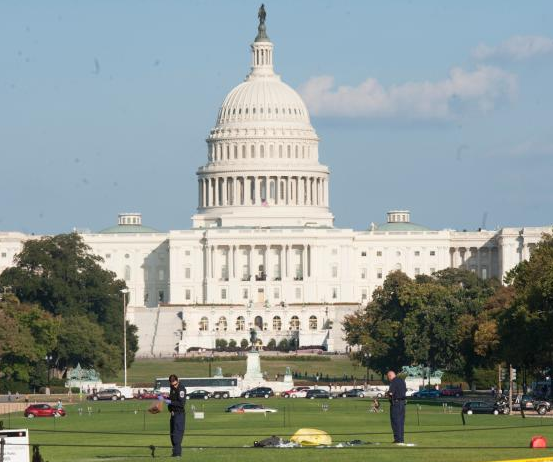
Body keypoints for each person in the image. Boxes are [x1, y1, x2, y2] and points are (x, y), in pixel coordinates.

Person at [159, 374, 187, 458]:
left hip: (179, 414)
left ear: (177, 381)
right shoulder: (172, 388)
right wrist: (165, 397)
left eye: (174, 383)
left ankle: (178, 454)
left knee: (177, 434)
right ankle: (174, 452)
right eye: (171, 383)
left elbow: (181, 404)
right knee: (172, 434)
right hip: (173, 414)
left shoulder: (181, 389)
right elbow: (172, 398)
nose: (172, 385)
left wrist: (169, 402)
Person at [386, 369, 406, 444]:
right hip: (403, 403)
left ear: (390, 376)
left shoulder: (393, 381)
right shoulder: (402, 381)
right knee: (401, 422)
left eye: (388, 378)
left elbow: (391, 393)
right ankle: (401, 439)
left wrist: (387, 394)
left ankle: (397, 439)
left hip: (396, 403)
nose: (389, 379)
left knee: (395, 421)